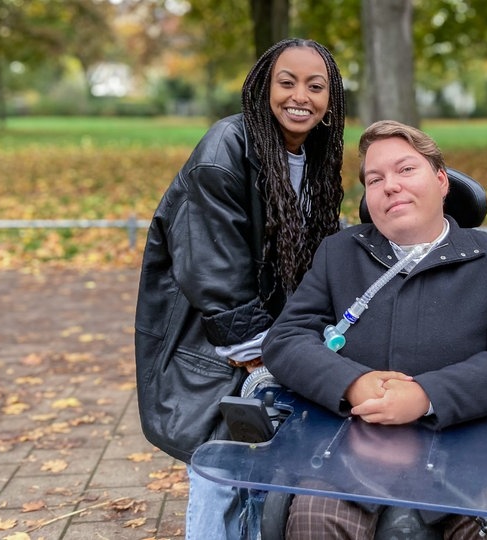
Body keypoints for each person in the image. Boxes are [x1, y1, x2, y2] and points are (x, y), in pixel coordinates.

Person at [262, 120, 487, 539]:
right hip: (352, 449)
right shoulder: (340, 253)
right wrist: (352, 383)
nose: (390, 186)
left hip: (472, 448)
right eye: (374, 179)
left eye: (405, 170)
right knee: (312, 520)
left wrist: (426, 395)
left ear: (441, 180)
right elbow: (286, 339)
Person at [134, 38, 346, 540]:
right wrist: (264, 357)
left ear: (331, 97)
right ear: (262, 87)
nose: (301, 96)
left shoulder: (315, 155)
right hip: (215, 338)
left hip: (274, 335)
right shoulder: (225, 148)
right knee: (222, 463)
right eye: (287, 82)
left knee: (266, 467)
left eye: (316, 86)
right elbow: (212, 267)